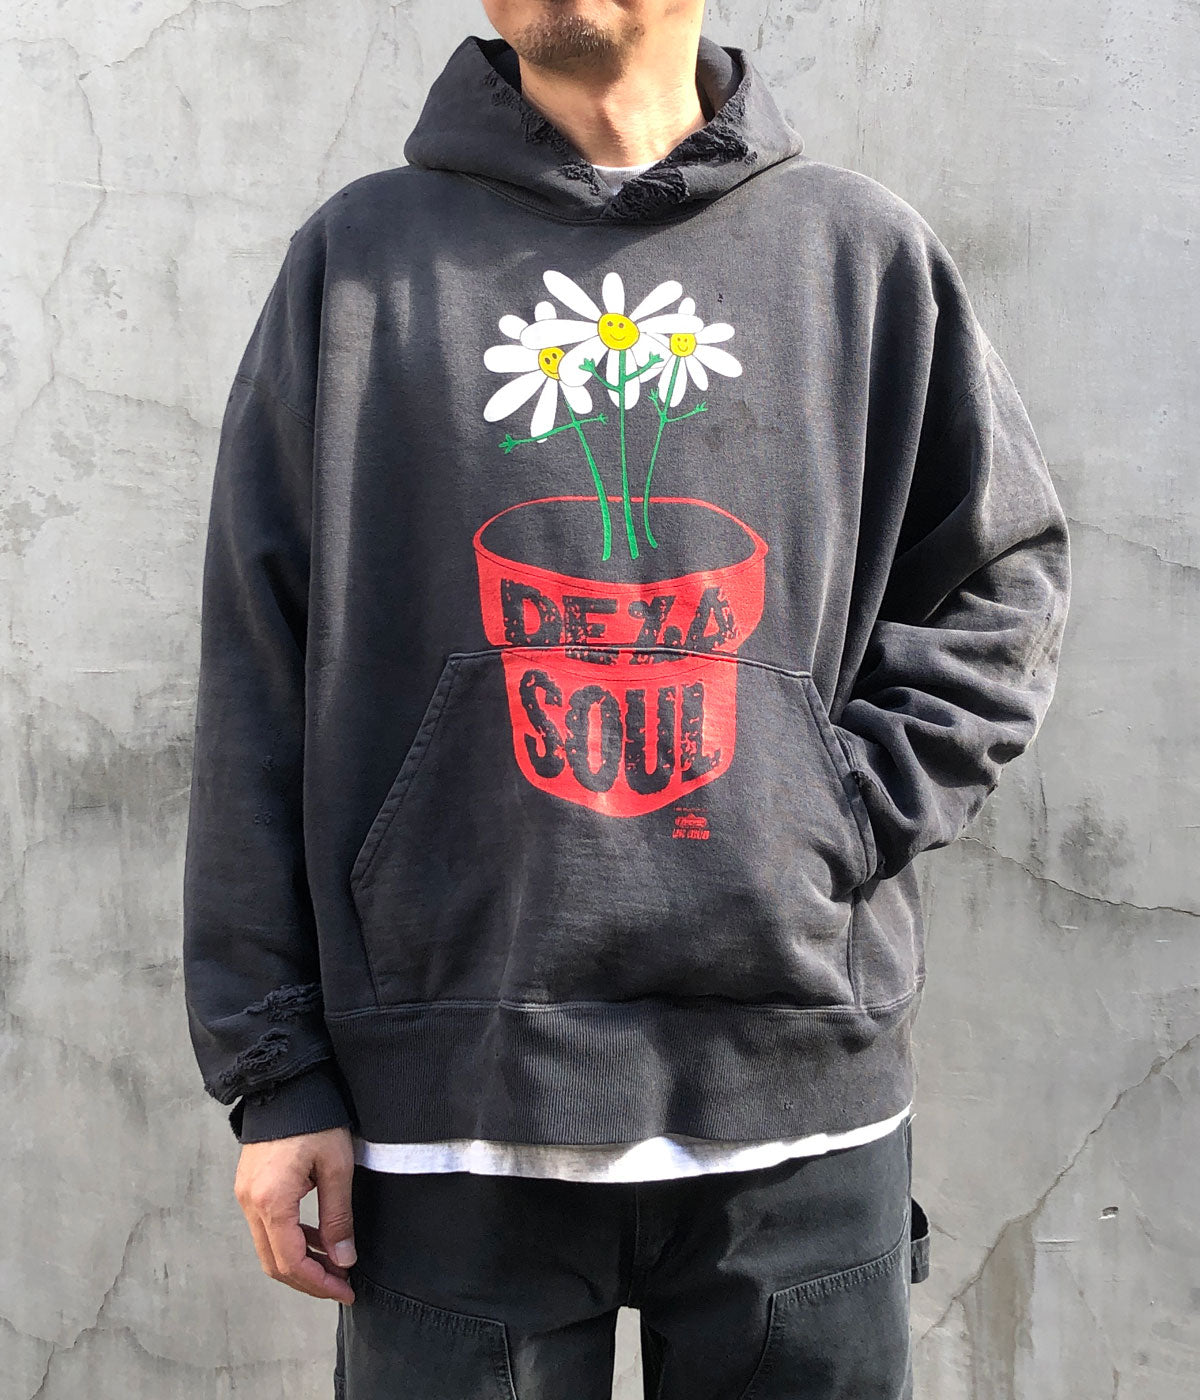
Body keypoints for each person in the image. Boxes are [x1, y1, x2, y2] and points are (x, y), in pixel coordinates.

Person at [182, 1, 1071, 1395]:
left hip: (796, 1104)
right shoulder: (362, 264)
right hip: (452, 1115)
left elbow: (998, 579)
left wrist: (830, 808)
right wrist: (273, 1068)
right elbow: (257, 668)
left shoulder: (857, 253)